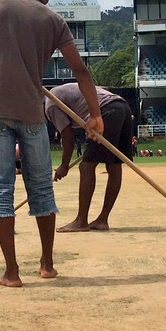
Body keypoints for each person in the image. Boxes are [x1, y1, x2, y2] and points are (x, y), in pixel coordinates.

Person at [0, 0, 104, 288]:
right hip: (32, 112)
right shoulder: (53, 20)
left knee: (0, 190)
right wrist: (94, 115)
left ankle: (11, 273)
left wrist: (1, 72)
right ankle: (46, 265)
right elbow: (81, 70)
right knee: (41, 188)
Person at [45, 83, 134, 232]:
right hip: (122, 107)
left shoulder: (50, 105)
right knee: (113, 166)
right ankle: (102, 220)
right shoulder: (59, 93)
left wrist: (64, 166)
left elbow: (68, 137)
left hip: (107, 111)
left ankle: (81, 221)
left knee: (86, 166)